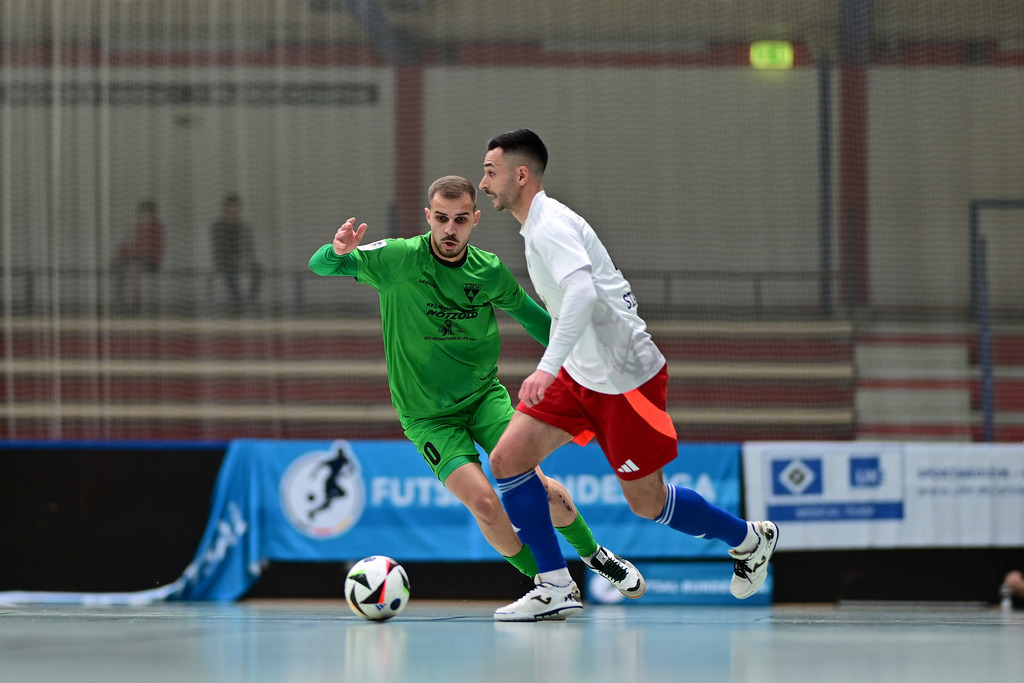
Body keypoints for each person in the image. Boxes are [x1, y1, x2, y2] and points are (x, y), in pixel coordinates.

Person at [479, 129, 779, 621]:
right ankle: (554, 585)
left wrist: (545, 368)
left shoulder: (550, 224)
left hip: (624, 382)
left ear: (521, 174)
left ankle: (750, 539)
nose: (485, 181)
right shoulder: (536, 225)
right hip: (581, 374)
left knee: (647, 502)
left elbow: (582, 295)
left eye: (491, 171)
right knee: (508, 459)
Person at [308, 175, 644, 608]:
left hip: (485, 398)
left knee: (535, 487)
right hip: (427, 416)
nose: (450, 229)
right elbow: (322, 266)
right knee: (485, 504)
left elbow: (532, 316)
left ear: (475, 220)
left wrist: (588, 354)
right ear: (428, 217)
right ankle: (548, 581)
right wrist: (336, 250)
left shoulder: (487, 271)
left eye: (461, 220)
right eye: (442, 219)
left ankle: (595, 555)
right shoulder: (396, 258)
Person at [211, 193, 262, 315]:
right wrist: (231, 259)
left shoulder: (244, 228)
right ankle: (238, 305)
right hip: (224, 262)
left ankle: (247, 302)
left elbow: (250, 249)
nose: (234, 211)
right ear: (225, 208)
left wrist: (244, 259)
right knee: (230, 275)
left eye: (236, 207)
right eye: (231, 208)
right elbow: (218, 249)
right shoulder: (218, 227)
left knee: (258, 270)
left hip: (242, 261)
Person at [112, 200, 165, 314]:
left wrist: (127, 254)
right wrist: (121, 254)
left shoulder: (154, 228)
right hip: (137, 258)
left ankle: (136, 304)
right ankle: (119, 304)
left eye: (146, 214)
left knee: (132, 268)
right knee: (119, 268)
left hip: (150, 260)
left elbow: (145, 249)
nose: (143, 217)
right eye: (142, 214)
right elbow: (129, 246)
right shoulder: (138, 229)